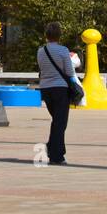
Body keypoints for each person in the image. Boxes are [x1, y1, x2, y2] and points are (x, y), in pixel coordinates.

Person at [37, 22, 78, 166]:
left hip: (46, 89)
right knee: (60, 123)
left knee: (57, 122)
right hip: (60, 89)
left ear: (46, 35)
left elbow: (42, 68)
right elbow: (69, 72)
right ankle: (57, 155)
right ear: (59, 35)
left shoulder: (41, 51)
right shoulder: (63, 50)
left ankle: (52, 147)